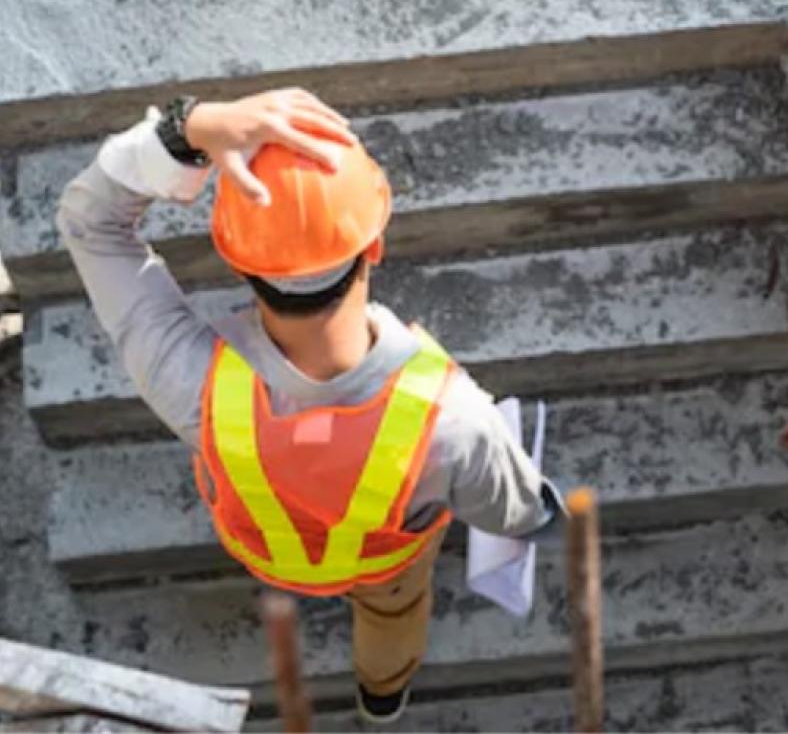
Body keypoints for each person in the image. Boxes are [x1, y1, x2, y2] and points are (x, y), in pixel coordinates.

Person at [57, 89, 564, 724]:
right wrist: (540, 514)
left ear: (238, 261)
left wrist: (185, 128)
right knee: (392, 614)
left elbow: (89, 222)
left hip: (264, 548)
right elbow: (513, 511)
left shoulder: (189, 380)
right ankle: (382, 700)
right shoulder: (453, 419)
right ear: (372, 245)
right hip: (384, 566)